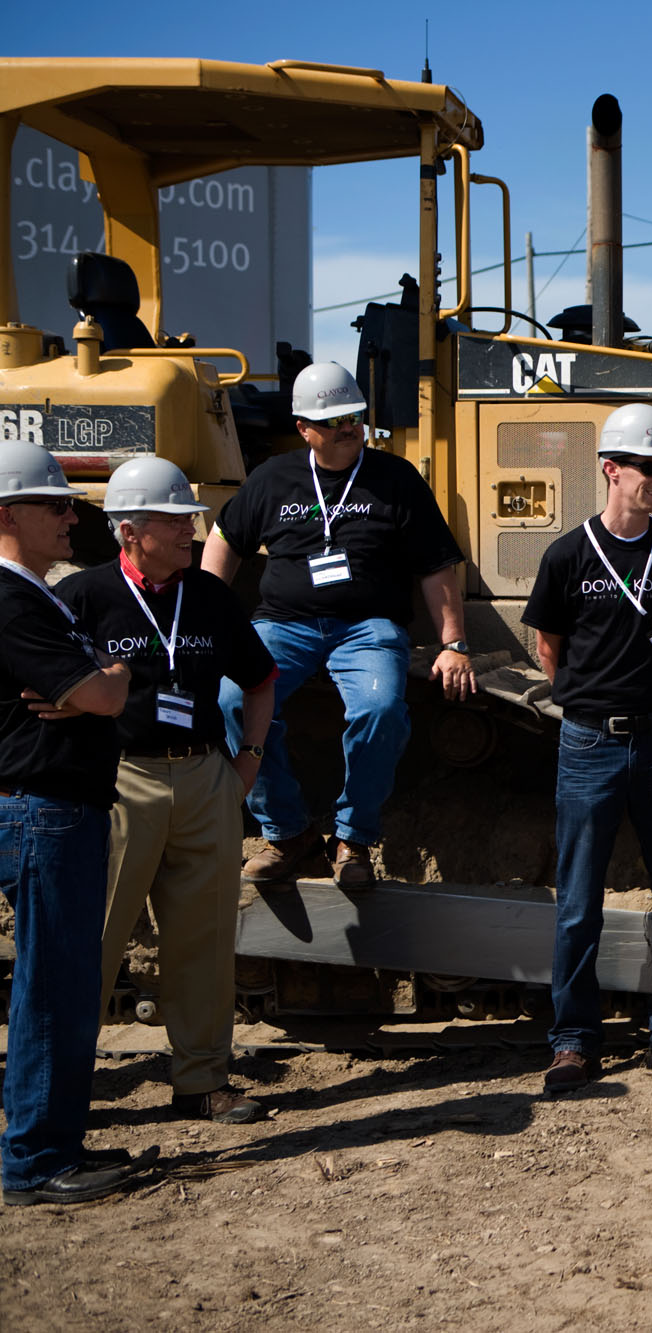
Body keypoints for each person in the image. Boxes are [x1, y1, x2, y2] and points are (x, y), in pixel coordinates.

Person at [60, 459, 278, 1125]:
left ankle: (203, 1081)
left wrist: (246, 761)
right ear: (130, 532)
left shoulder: (209, 596)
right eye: (176, 520)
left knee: (204, 940)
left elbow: (262, 678)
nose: (192, 530)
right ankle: (63, 1091)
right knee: (91, 939)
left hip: (205, 779)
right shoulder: (86, 596)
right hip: (120, 782)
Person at [205, 362, 477, 887]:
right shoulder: (273, 478)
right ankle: (287, 835)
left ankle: (352, 837)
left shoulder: (395, 479)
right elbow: (224, 541)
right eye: (334, 420)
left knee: (379, 709)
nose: (349, 426)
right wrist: (209, 621)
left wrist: (454, 643)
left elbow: (435, 564)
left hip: (367, 626)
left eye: (355, 415)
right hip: (284, 624)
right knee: (230, 700)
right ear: (305, 428)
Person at [522, 403, 652, 1094]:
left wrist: (645, 689)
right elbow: (546, 646)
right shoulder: (568, 554)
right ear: (611, 468)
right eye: (649, 466)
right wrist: (589, 699)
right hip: (589, 742)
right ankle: (573, 1041)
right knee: (578, 898)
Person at [0, 441, 158, 1206]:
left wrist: (104, 677)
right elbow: (99, 696)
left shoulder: (37, 593)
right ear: (7, 515)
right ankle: (35, 1161)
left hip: (61, 808)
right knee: (53, 985)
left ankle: (55, 1142)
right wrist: (110, 679)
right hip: (46, 810)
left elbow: (97, 686)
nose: (71, 515)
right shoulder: (11, 598)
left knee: (64, 981)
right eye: (54, 504)